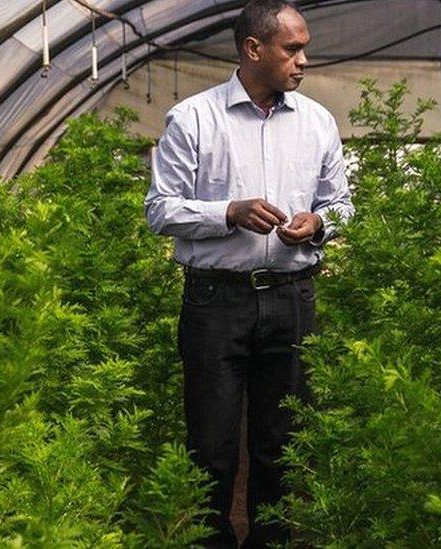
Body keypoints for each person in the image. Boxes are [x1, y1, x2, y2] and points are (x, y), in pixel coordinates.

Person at [143, 1, 353, 546]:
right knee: (210, 445)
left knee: (280, 443)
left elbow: (344, 204)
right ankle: (210, 541)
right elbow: (160, 210)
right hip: (217, 303)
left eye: (304, 47)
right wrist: (227, 213)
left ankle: (272, 540)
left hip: (292, 300)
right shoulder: (194, 119)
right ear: (253, 48)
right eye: (292, 48)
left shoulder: (317, 122)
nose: (304, 60)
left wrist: (319, 222)